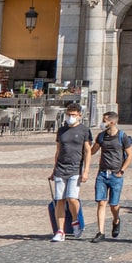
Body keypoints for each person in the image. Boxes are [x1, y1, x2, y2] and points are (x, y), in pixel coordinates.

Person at [46, 103, 89, 242]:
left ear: (79, 116)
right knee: (60, 200)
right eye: (69, 115)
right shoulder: (61, 130)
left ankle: (75, 221)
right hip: (60, 168)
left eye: (73, 115)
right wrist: (54, 170)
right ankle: (60, 230)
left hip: (75, 168)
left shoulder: (84, 130)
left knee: (72, 198)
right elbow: (58, 150)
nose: (70, 117)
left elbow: (87, 151)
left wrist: (86, 170)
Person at [89, 111, 132, 241]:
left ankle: (116, 220)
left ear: (112, 122)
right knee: (101, 202)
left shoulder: (122, 137)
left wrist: (122, 171)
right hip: (102, 174)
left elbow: (130, 155)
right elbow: (92, 151)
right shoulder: (101, 136)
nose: (102, 123)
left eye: (105, 121)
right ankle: (100, 232)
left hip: (116, 174)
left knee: (114, 204)